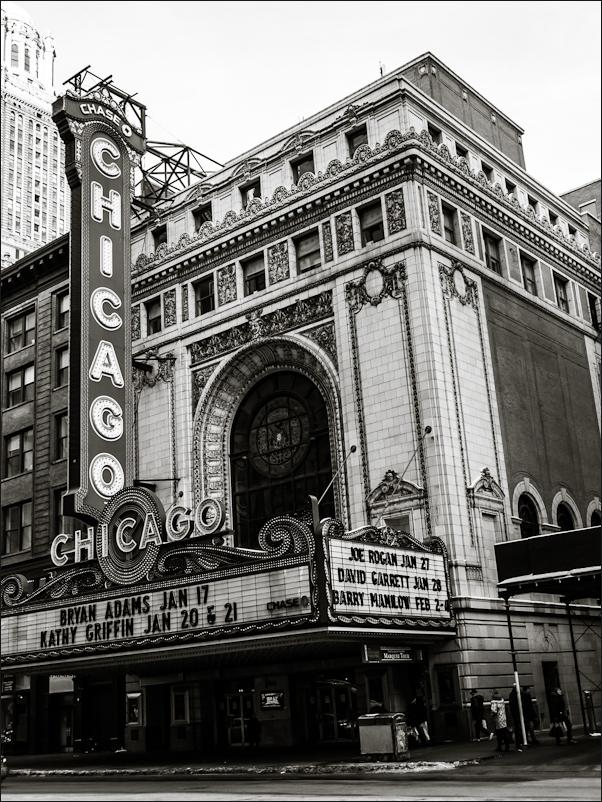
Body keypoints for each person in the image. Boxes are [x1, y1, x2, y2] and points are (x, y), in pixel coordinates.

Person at [508, 685, 525, 751]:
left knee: (518, 729)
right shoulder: (515, 695)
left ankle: (520, 742)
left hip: (516, 714)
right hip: (516, 715)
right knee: (517, 729)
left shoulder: (513, 694)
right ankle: (519, 743)